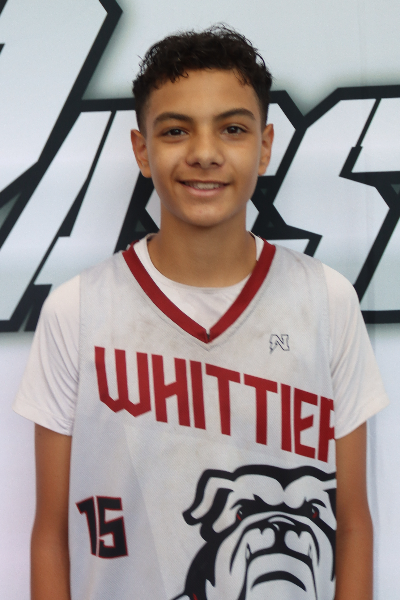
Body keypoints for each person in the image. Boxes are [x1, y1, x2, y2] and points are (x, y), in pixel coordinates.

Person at [13, 25, 388, 600]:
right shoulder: (77, 309)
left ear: (265, 145)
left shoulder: (327, 300)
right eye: (175, 130)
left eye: (232, 128)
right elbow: (50, 534)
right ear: (142, 150)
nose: (205, 153)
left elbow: (354, 523)